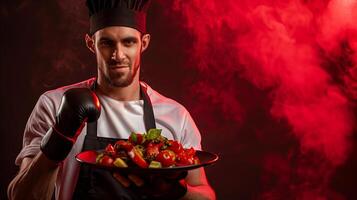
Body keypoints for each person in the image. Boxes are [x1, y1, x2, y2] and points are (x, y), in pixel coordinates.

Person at [7, 0, 216, 199]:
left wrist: (177, 192)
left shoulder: (175, 116)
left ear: (144, 43)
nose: (118, 55)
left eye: (128, 42)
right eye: (107, 43)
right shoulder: (53, 105)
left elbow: (206, 196)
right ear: (91, 44)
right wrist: (59, 136)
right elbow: (22, 196)